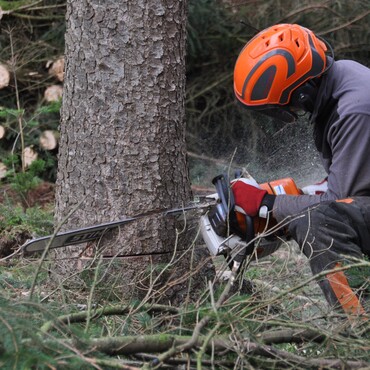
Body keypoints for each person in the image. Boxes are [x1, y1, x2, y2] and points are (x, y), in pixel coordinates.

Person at [231, 23, 370, 318]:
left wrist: (269, 205)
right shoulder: (341, 81)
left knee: (320, 223)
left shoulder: (354, 110)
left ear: (302, 93)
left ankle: (361, 327)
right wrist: (277, 195)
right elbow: (349, 185)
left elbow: (340, 205)